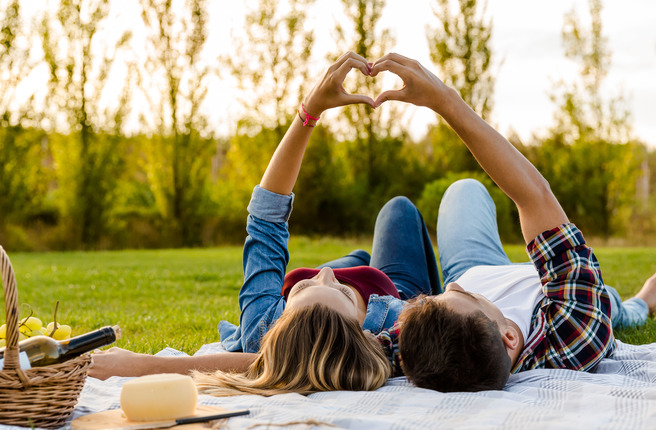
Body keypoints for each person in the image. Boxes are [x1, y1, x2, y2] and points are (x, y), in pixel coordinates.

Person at [89, 52, 440, 395]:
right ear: (365, 337)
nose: (325, 274)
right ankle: (352, 275)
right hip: (393, 287)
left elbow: (266, 217)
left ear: (280, 320)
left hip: (312, 315)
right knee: (398, 209)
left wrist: (310, 111)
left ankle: (340, 276)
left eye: (298, 291)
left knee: (350, 261)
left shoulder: (262, 327)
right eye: (343, 292)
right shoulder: (399, 330)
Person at [362, 53, 656, 392]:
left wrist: (310, 113)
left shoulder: (419, 349)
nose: (448, 287)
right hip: (550, 289)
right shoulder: (575, 331)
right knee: (610, 302)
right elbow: (533, 194)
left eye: (435, 299)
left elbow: (332, 352)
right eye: (463, 297)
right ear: (509, 337)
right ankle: (642, 301)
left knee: (463, 189)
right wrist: (445, 101)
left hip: (475, 267)